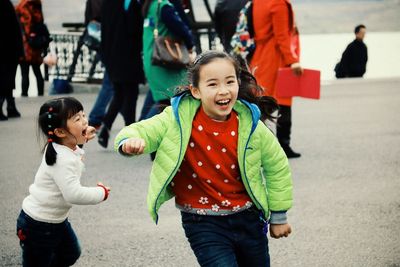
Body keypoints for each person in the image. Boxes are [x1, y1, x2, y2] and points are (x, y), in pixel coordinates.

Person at [115, 51, 293, 266]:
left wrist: (279, 215)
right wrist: (130, 141)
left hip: (248, 218)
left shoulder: (250, 123)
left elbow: (277, 166)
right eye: (213, 84)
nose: (223, 90)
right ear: (196, 91)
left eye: (229, 82)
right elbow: (142, 130)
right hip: (202, 222)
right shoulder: (176, 118)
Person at [16, 97, 110, 266]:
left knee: (71, 253)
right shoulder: (62, 158)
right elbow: (73, 194)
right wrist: (101, 193)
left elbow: (72, 152)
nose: (85, 121)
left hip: (56, 221)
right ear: (60, 132)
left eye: (83, 115)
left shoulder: (59, 146)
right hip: (38, 225)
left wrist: (81, 139)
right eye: (77, 119)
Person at [250, 0, 303, 158]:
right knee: (282, 102)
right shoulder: (278, 3)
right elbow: (282, 36)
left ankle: (254, 143)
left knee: (262, 102)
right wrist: (292, 60)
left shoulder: (257, 2)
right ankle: (283, 144)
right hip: (277, 59)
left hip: (260, 57)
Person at [97, 0, 144, 148]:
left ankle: (106, 127)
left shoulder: (107, 3)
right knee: (131, 93)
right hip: (127, 54)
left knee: (119, 93)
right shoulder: (129, 2)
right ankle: (130, 133)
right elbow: (133, 28)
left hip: (111, 55)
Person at [140, 0, 194, 121]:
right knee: (172, 100)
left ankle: (139, 127)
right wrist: (190, 45)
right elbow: (181, 28)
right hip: (166, 61)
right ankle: (140, 133)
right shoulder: (164, 6)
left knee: (161, 99)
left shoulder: (149, 5)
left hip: (153, 59)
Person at [15, 0, 46, 97]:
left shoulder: (23, 6)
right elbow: (40, 22)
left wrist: (28, 36)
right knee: (37, 71)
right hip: (35, 45)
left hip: (25, 45)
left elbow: (26, 24)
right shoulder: (37, 4)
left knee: (25, 72)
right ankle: (40, 94)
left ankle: (24, 94)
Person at [0, 0, 24, 120]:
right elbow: (15, 29)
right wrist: (20, 50)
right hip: (9, 49)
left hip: (7, 49)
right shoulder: (7, 4)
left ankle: (10, 106)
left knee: (6, 79)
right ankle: (9, 107)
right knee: (7, 79)